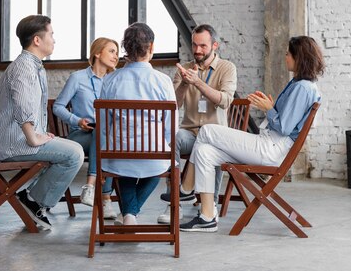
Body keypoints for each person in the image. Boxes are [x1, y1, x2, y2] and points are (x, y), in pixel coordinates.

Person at [179, 35, 324, 232]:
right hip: (268, 143)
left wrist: (268, 109)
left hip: (270, 148)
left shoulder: (303, 88)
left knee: (206, 131)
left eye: (289, 54)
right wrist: (272, 106)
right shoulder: (299, 84)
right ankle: (207, 217)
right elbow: (287, 119)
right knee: (204, 151)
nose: (285, 57)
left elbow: (285, 128)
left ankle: (185, 190)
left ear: (300, 57)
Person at [0, 15, 84, 230]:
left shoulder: (33, 66)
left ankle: (33, 198)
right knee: (74, 154)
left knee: (73, 148)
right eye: (51, 34)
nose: (54, 39)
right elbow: (23, 106)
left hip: (19, 139)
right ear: (37, 40)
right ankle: (34, 201)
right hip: (12, 145)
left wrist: (41, 134)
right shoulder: (23, 68)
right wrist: (33, 137)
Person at [156, 24, 237, 224]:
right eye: (194, 45)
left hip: (215, 136)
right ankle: (175, 201)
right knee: (173, 139)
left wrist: (199, 82)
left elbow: (225, 100)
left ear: (215, 45)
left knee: (212, 147)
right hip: (189, 133)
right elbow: (174, 105)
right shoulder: (184, 69)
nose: (197, 50)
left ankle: (211, 205)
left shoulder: (227, 68)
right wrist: (184, 83)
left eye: (203, 46)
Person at [99, 22, 178, 225]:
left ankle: (129, 214)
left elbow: (105, 124)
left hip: (118, 154)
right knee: (164, 164)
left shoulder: (110, 80)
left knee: (124, 167)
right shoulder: (162, 81)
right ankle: (131, 213)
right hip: (154, 154)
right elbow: (171, 127)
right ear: (151, 47)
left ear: (126, 48)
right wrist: (164, 144)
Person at [53, 37, 119, 219]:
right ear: (97, 53)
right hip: (79, 136)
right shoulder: (78, 78)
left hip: (103, 135)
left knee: (104, 133)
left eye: (117, 52)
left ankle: (90, 187)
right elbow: (57, 107)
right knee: (105, 138)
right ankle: (105, 198)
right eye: (112, 51)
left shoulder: (115, 80)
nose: (116, 56)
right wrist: (76, 120)